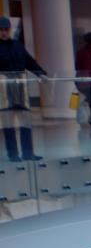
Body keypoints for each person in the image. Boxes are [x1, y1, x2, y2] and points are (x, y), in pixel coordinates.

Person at [0, 16, 48, 163]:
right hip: (3, 88)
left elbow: (29, 61)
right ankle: (13, 154)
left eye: (6, 29)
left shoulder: (17, 45)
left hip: (21, 87)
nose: (3, 32)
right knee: (8, 123)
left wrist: (41, 73)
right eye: (1, 30)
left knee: (25, 121)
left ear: (10, 29)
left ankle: (28, 152)